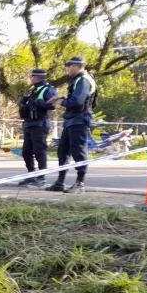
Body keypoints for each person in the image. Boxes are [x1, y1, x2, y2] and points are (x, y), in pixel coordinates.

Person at [46, 56, 97, 193]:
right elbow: (73, 99)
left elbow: (78, 101)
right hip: (71, 120)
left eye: (68, 66)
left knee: (78, 152)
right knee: (62, 151)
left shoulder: (84, 80)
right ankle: (60, 182)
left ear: (76, 66)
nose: (67, 69)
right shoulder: (78, 80)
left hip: (80, 120)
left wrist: (60, 102)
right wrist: (61, 99)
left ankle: (80, 184)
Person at [17, 68, 57, 187]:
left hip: (40, 124)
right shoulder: (34, 90)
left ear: (36, 77)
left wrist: (40, 103)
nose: (30, 78)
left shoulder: (48, 89)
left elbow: (53, 106)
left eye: (31, 76)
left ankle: (41, 177)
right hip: (29, 124)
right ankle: (31, 175)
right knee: (26, 152)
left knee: (40, 151)